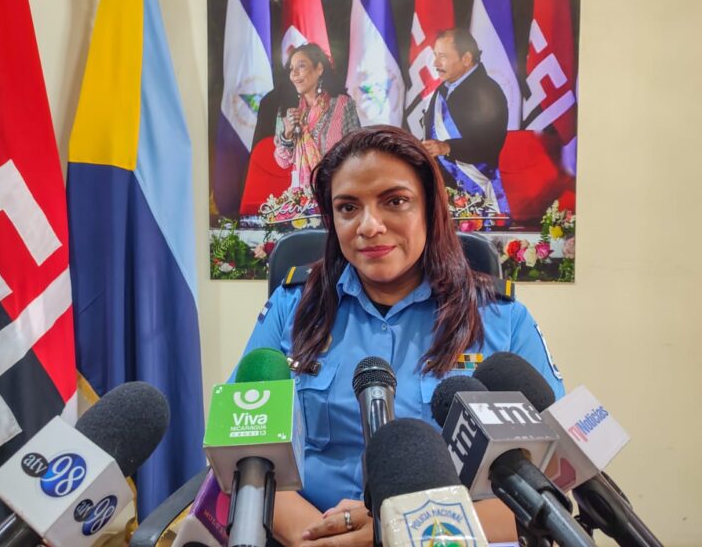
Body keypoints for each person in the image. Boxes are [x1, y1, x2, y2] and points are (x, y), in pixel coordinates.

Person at [236, 126, 565, 546]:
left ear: (430, 207)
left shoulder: (503, 319)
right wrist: (316, 538)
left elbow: (551, 481)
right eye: (348, 207)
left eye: (395, 201)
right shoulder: (292, 308)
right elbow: (244, 453)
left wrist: (395, 531)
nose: (369, 226)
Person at [422, 28, 510, 216]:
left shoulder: (487, 92)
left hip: (475, 194)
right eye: (435, 55)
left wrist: (447, 147)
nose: (436, 63)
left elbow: (490, 144)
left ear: (466, 58)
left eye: (443, 56)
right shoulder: (442, 90)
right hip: (443, 193)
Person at [274, 43, 360, 190]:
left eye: (301, 66)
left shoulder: (343, 105)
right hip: (302, 195)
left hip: (338, 190)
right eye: (291, 69)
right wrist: (287, 134)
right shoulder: (289, 112)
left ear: (319, 68)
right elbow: (283, 162)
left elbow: (357, 153)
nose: (294, 74)